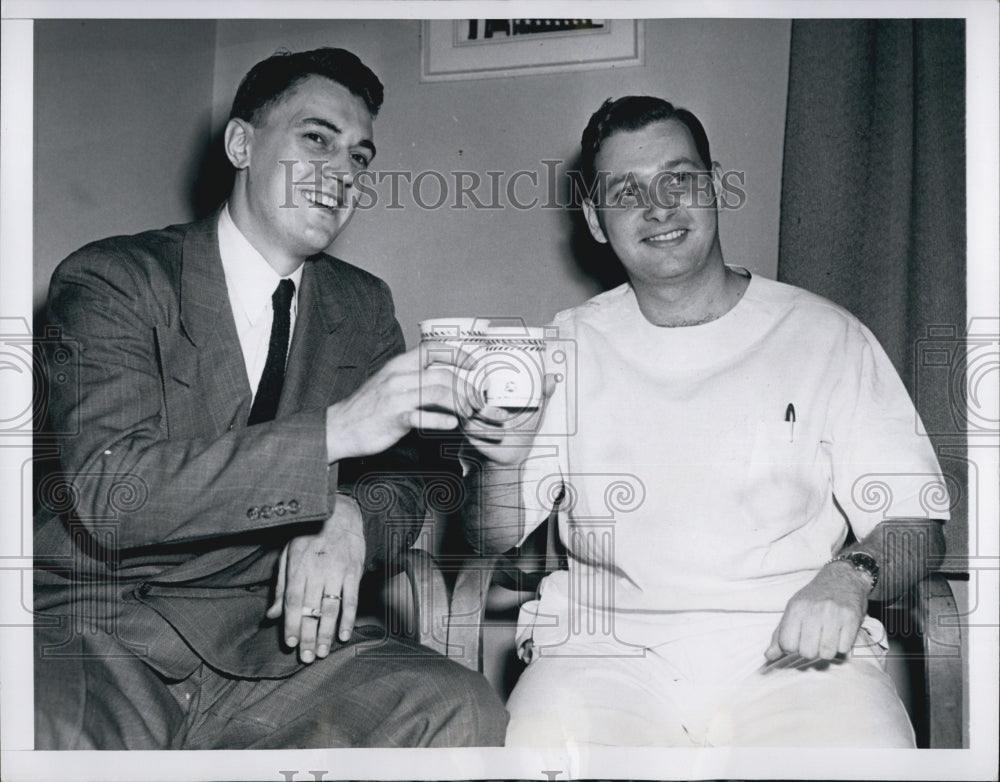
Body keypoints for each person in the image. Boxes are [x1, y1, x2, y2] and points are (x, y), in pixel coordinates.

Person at [33, 47, 506, 750]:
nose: (344, 172)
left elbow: (417, 475)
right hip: (103, 637)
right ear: (241, 143)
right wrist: (334, 434)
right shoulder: (115, 280)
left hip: (277, 645)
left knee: (459, 709)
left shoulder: (362, 304)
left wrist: (349, 515)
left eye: (360, 156)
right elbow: (111, 489)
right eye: (318, 138)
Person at [460, 96, 948, 747]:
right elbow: (489, 537)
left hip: (798, 657)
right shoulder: (562, 348)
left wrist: (850, 575)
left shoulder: (826, 336)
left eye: (679, 180)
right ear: (596, 221)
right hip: (601, 659)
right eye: (626, 191)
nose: (659, 208)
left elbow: (918, 526)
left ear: (714, 188)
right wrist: (502, 458)